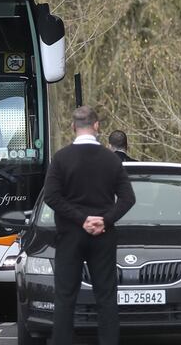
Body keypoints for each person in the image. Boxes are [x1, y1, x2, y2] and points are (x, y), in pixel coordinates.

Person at [44, 106, 136, 345]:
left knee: (65, 296)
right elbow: (128, 198)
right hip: (103, 235)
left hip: (70, 235)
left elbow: (51, 197)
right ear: (97, 126)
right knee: (106, 295)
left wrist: (79, 219)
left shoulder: (61, 158)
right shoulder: (111, 160)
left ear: (73, 127)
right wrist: (104, 220)